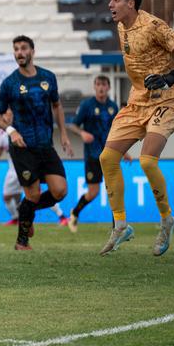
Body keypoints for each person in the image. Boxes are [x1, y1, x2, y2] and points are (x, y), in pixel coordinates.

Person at [98, 0, 174, 257]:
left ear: (131, 3)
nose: (110, 5)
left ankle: (167, 220)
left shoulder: (154, 25)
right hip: (137, 101)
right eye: (110, 0)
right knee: (107, 158)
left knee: (147, 160)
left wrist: (168, 78)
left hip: (165, 100)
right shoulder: (121, 27)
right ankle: (120, 225)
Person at [0, 35, 74, 251]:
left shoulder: (48, 78)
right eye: (16, 49)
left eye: (23, 48)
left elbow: (57, 106)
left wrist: (64, 135)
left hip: (46, 146)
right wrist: (11, 131)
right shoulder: (10, 83)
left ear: (32, 51)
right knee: (34, 193)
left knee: (60, 191)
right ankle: (22, 243)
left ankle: (26, 209)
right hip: (23, 148)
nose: (19, 52)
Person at [0, 115, 70, 227]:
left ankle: (62, 216)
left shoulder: (23, 129)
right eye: (3, 115)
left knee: (36, 195)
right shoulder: (1, 134)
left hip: (26, 167)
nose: (6, 117)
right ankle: (16, 218)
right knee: (7, 197)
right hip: (13, 171)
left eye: (8, 114)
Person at [66, 75, 120, 232]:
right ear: (94, 87)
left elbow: (116, 131)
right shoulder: (87, 105)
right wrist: (82, 133)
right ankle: (75, 212)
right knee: (93, 192)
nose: (101, 87)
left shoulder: (113, 107)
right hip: (92, 155)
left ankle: (116, 227)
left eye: (104, 84)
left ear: (108, 87)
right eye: (98, 84)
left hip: (109, 155)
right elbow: (73, 125)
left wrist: (124, 151)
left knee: (114, 189)